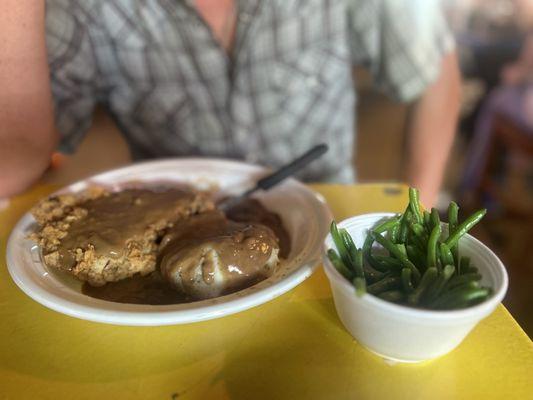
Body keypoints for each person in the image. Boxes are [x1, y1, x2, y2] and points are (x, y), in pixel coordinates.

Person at [0, 0, 460, 206]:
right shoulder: (87, 6)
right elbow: (17, 149)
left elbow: (435, 71)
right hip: (177, 230)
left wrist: (414, 214)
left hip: (329, 218)